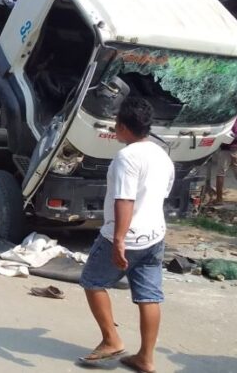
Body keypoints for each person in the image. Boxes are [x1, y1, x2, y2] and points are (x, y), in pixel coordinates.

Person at [79, 98, 174, 373]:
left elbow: (125, 200)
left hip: (125, 236)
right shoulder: (162, 154)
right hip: (154, 235)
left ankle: (111, 340)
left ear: (122, 126)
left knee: (92, 281)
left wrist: (119, 240)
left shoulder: (127, 157)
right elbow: (163, 192)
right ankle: (145, 357)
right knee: (149, 296)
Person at [209, 119, 237, 205]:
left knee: (220, 173)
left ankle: (219, 199)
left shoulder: (229, 119)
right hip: (234, 149)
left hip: (226, 149)